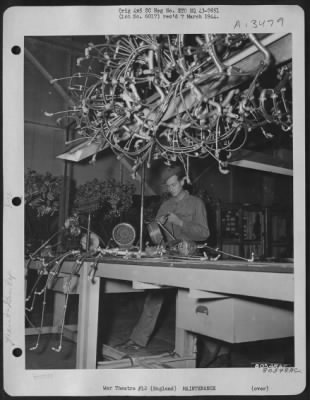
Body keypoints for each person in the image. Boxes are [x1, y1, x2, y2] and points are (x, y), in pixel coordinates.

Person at [117, 164, 210, 350]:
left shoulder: (196, 203)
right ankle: (137, 340)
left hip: (190, 257)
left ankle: (201, 349)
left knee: (195, 303)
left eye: (174, 184)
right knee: (154, 296)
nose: (171, 189)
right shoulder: (166, 205)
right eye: (168, 186)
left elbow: (204, 233)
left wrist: (180, 222)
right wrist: (153, 240)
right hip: (169, 254)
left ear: (184, 181)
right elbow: (156, 232)